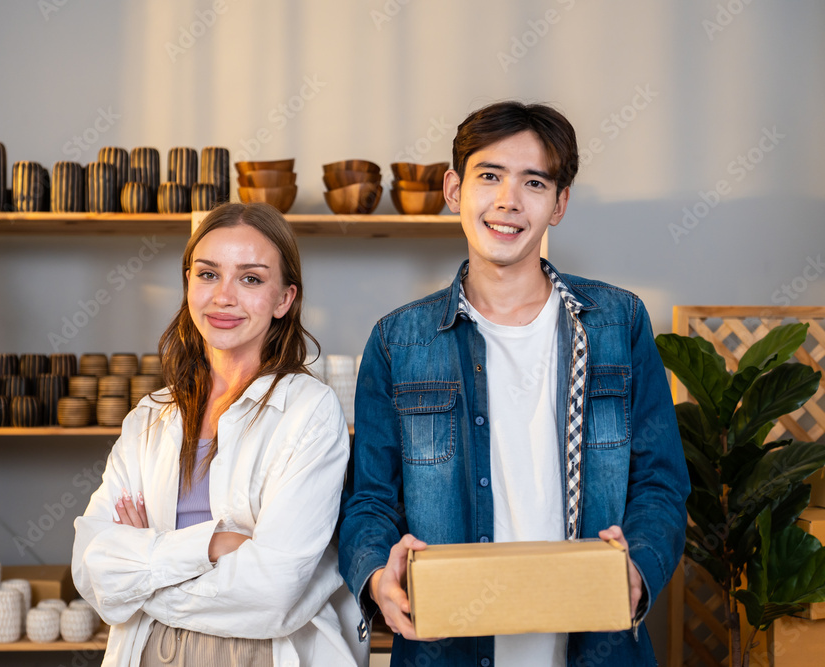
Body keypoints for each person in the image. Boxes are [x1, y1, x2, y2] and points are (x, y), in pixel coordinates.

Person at [338, 101, 690, 666]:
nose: (508, 200)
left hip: (596, 649)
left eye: (534, 182)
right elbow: (371, 501)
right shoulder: (397, 341)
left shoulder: (617, 323)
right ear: (454, 189)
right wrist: (378, 573)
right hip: (447, 648)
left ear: (559, 204)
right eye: (489, 176)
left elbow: (660, 483)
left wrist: (638, 567)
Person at [73, 202, 367, 667]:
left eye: (250, 279)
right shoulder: (149, 417)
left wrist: (142, 573)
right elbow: (92, 568)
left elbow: (272, 592)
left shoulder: (308, 411)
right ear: (188, 282)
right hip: (146, 652)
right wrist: (212, 544)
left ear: (284, 299)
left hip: (261, 656)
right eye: (208, 274)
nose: (223, 297)